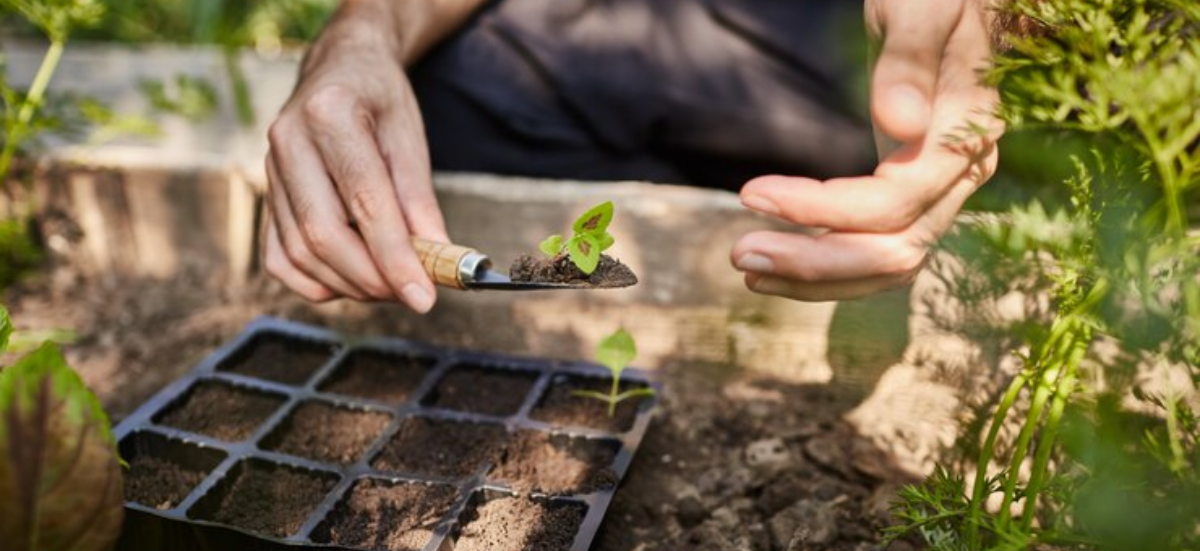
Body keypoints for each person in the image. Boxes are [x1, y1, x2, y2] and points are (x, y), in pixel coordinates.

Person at [262, 0, 1002, 313]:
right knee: (446, 97)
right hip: (607, 32)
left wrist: (986, 27)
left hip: (839, 52)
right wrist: (362, 35)